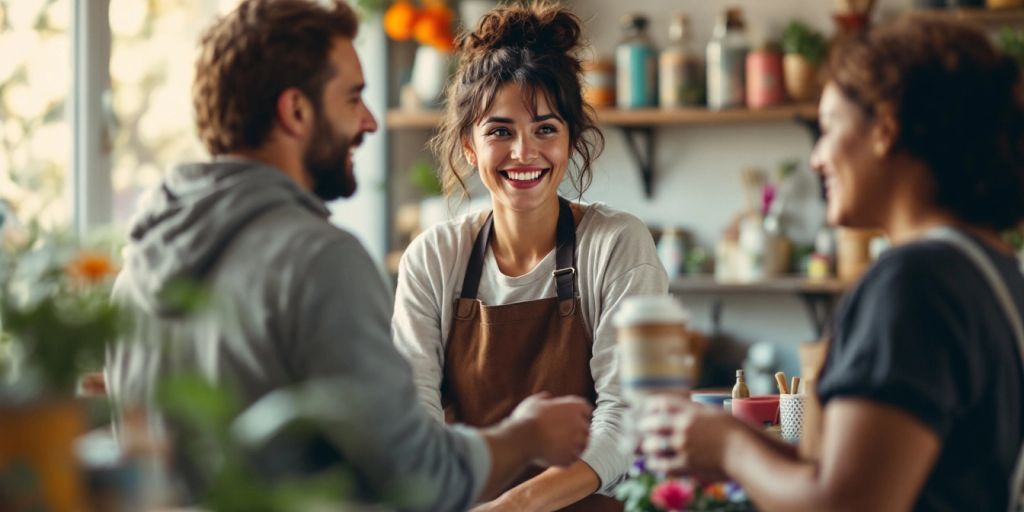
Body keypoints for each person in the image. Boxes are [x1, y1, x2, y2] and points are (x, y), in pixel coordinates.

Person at [105, 1, 594, 510]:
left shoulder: (139, 268)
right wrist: (524, 436)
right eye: (352, 98)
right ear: (296, 111)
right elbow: (416, 477)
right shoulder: (318, 260)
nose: (369, 122)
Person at [637, 14, 1024, 512]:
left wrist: (732, 447)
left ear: (886, 127)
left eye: (828, 127)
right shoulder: (991, 268)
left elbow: (846, 503)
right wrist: (735, 446)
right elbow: (866, 473)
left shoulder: (914, 281)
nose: (817, 158)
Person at [391, 3, 668, 511]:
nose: (524, 152)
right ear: (470, 147)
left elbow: (625, 423)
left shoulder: (617, 245)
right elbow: (415, 421)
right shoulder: (434, 258)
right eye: (500, 131)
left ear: (571, 140)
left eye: (545, 128)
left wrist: (511, 508)